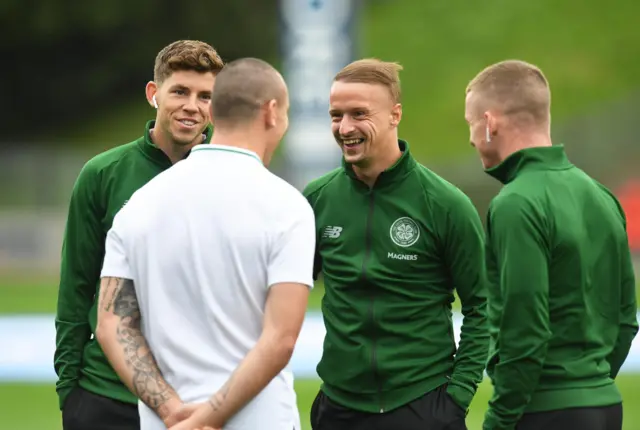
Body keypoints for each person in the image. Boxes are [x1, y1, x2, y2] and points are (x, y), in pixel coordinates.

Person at [95, 57, 315, 430]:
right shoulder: (286, 205)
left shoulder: (140, 203)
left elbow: (112, 323)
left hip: (166, 422)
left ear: (212, 111)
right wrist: (207, 419)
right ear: (272, 111)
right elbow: (280, 339)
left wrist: (171, 412)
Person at [303, 58, 489, 430]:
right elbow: (282, 295)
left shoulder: (445, 204)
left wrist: (456, 399)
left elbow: (482, 308)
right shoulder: (316, 200)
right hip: (339, 408)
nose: (345, 127)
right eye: (336, 115)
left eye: (359, 114)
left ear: (394, 115)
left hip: (423, 404)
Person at [53, 39, 224, 430]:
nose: (192, 106)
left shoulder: (231, 177)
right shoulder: (102, 174)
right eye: (179, 91)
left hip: (197, 399)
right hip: (107, 396)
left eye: (205, 96)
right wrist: (70, 393)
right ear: (154, 94)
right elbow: (76, 288)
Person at [464, 59, 639, 430]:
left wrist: (499, 419)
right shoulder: (602, 197)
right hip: (604, 405)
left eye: (471, 124)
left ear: (490, 123)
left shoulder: (516, 203)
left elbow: (524, 328)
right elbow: (626, 318)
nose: (471, 138)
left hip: (545, 412)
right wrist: (587, 385)